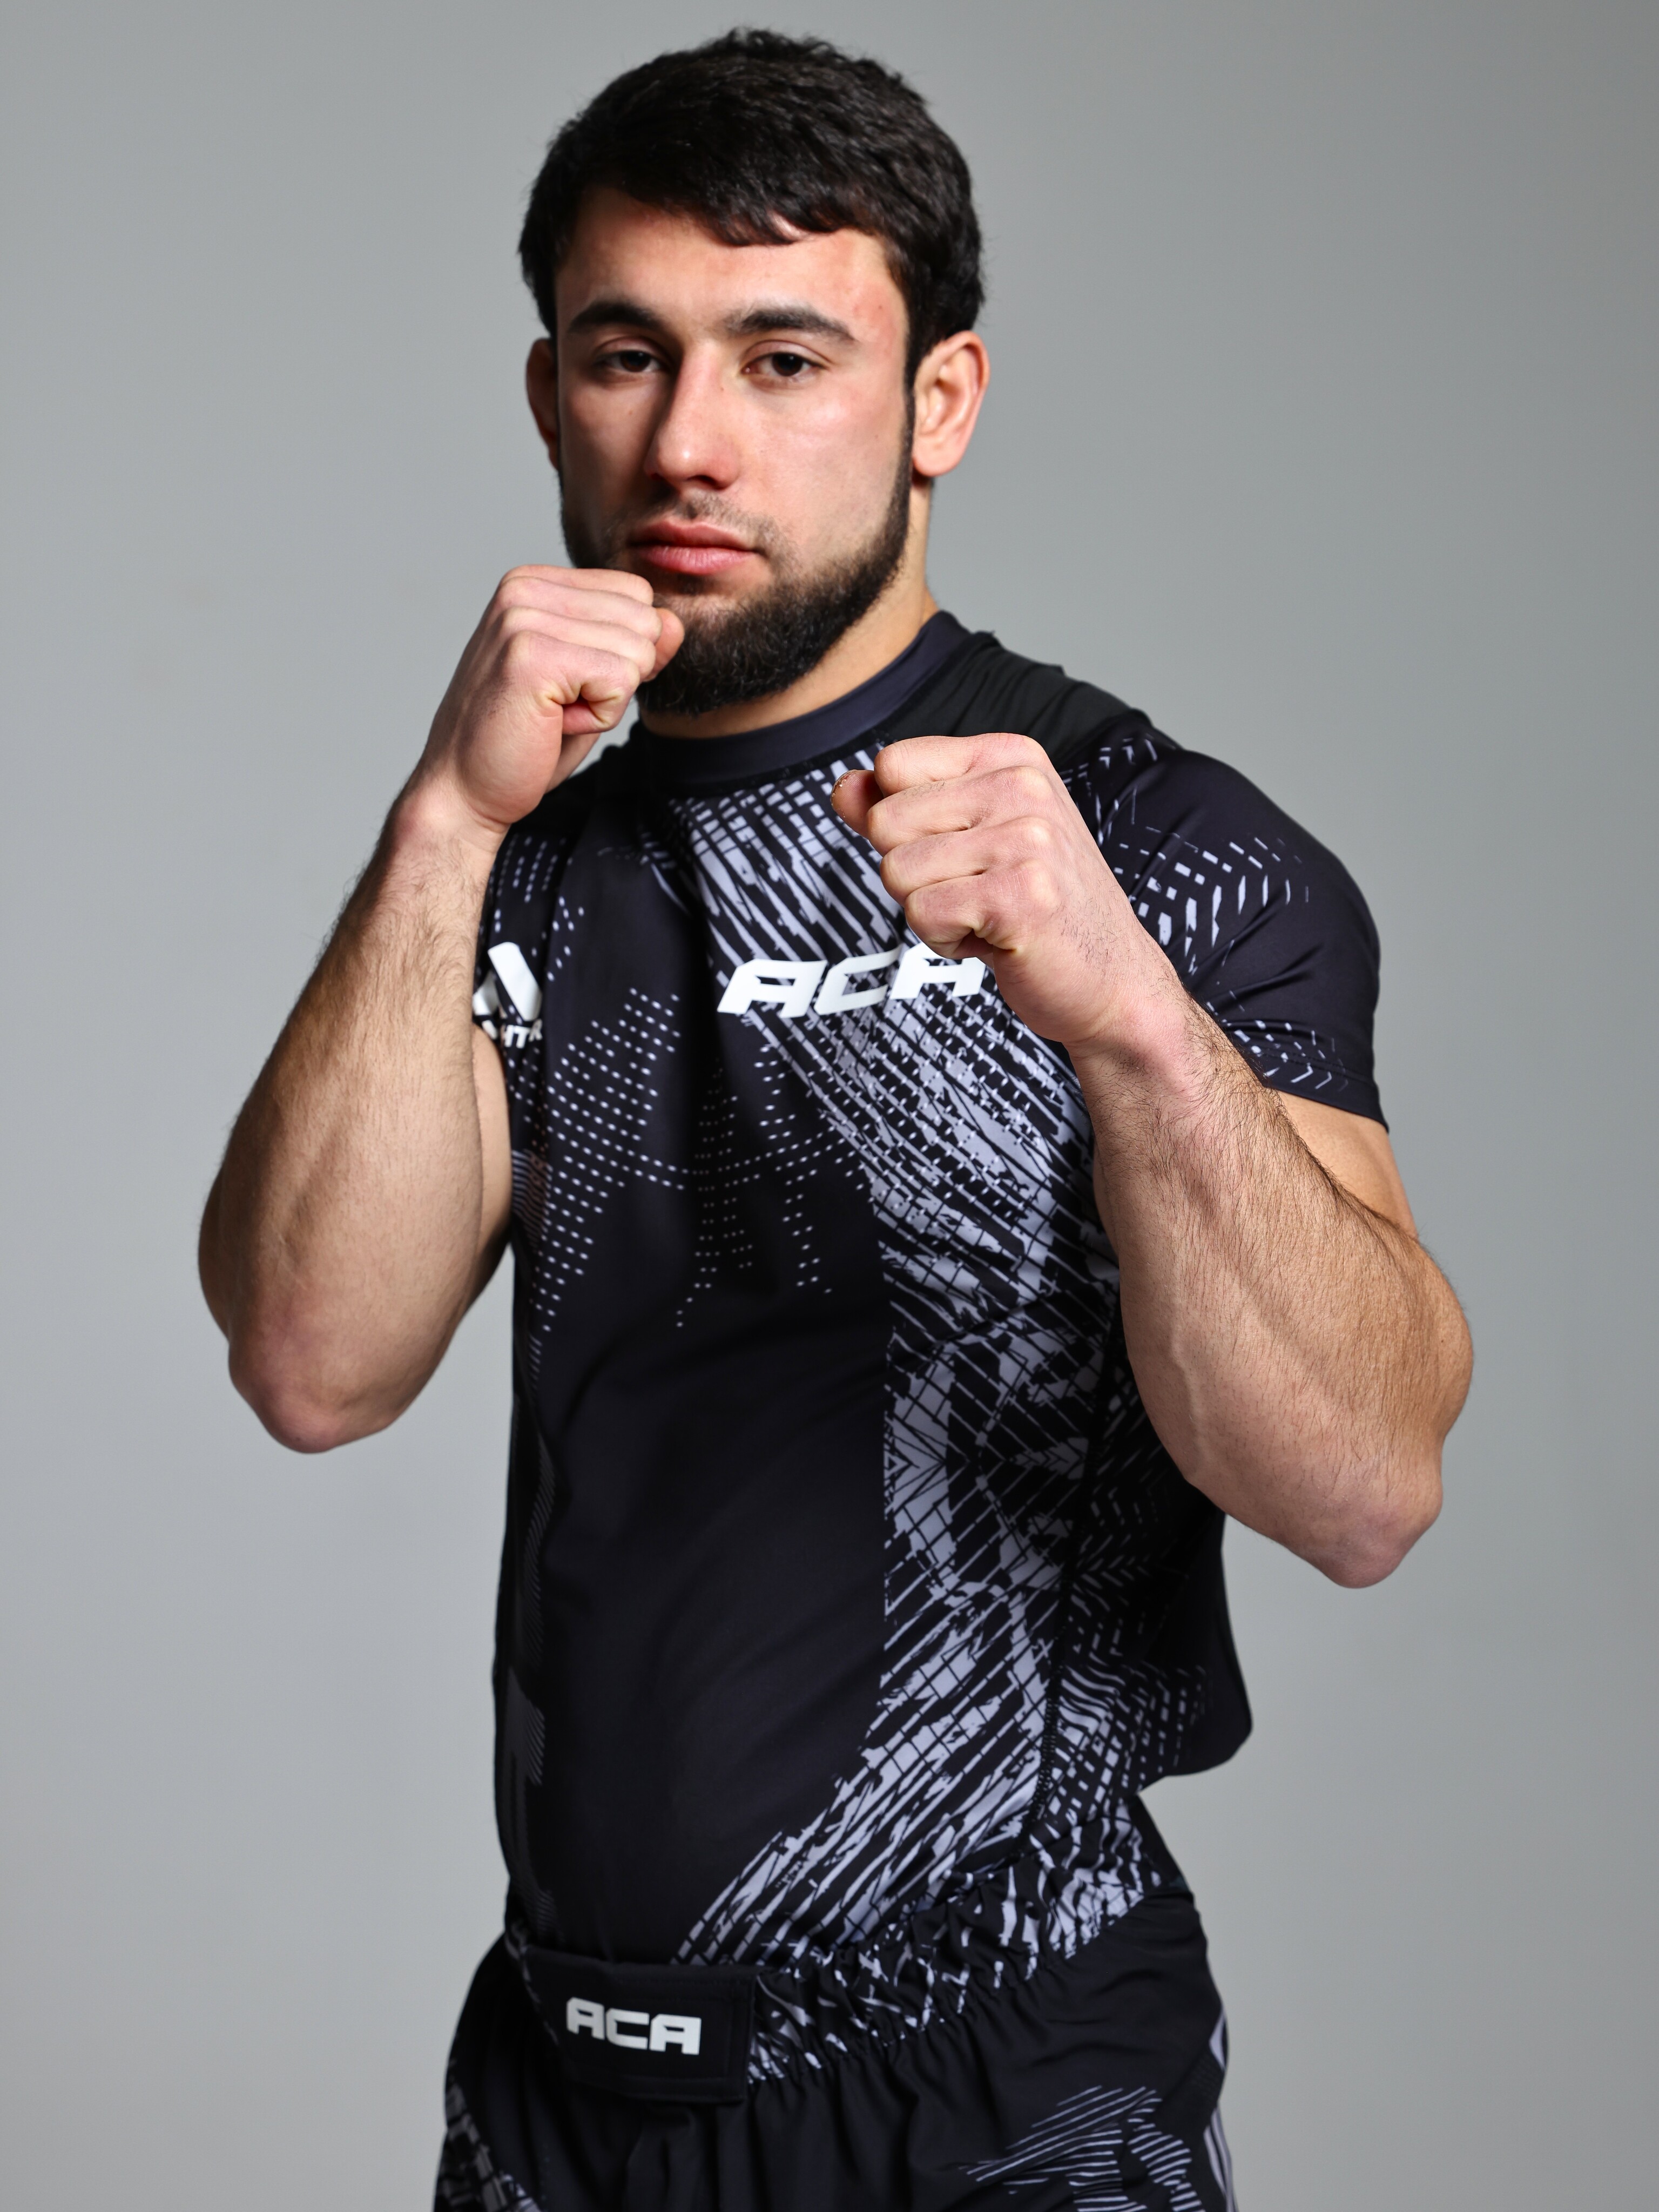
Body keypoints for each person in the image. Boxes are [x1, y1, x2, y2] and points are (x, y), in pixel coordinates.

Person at [198, 29, 1472, 2211]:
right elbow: (313, 1363)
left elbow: (1361, 1487)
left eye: (785, 359)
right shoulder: (516, 872)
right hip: (562, 2090)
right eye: (629, 357)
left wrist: (1129, 1026)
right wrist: (442, 821)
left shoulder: (1154, 851)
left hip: (1000, 2074)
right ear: (550, 397)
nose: (690, 442)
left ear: (938, 401)